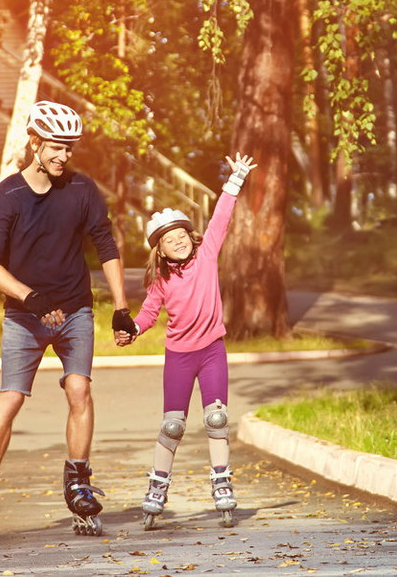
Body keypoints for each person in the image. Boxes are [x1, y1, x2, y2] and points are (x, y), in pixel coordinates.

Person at [0, 100, 137, 541]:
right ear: (35, 142)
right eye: (56, 146)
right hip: (24, 314)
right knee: (12, 397)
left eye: (69, 148)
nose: (63, 156)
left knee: (79, 388)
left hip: (74, 307)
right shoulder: (9, 194)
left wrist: (120, 306)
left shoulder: (81, 190)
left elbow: (106, 246)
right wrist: (29, 296)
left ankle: (78, 483)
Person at [115, 152, 256, 529]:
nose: (177, 242)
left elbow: (221, 218)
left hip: (212, 351)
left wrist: (235, 179)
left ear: (191, 239)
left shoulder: (207, 254)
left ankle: (222, 482)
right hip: (179, 356)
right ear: (158, 250)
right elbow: (148, 313)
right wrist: (133, 329)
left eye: (181, 236)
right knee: (172, 425)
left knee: (216, 418)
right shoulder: (160, 281)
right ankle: (158, 488)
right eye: (169, 240)